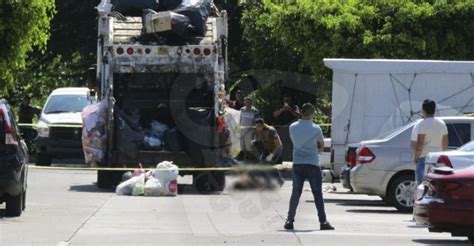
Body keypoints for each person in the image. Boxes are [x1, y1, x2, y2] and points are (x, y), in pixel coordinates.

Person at [284, 103, 334, 231]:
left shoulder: (292, 127)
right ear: (312, 114)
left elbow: (294, 141)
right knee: (317, 194)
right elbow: (321, 146)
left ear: (301, 112)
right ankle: (323, 222)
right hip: (312, 163)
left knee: (296, 193)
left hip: (298, 163)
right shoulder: (316, 129)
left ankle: (289, 220)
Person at [412, 99, 448, 185]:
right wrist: (441, 152)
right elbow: (446, 142)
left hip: (424, 158)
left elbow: (420, 145)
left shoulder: (422, 124)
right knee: (436, 187)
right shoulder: (441, 123)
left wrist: (415, 158)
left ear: (423, 110)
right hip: (438, 158)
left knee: (422, 186)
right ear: (434, 110)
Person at [239, 97, 259, 162]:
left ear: (251, 102)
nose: (247, 103)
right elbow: (239, 119)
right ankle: (245, 159)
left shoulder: (255, 111)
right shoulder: (242, 109)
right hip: (242, 129)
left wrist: (255, 130)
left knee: (249, 147)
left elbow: (258, 121)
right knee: (242, 146)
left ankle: (251, 159)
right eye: (246, 102)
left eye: (248, 102)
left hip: (250, 130)